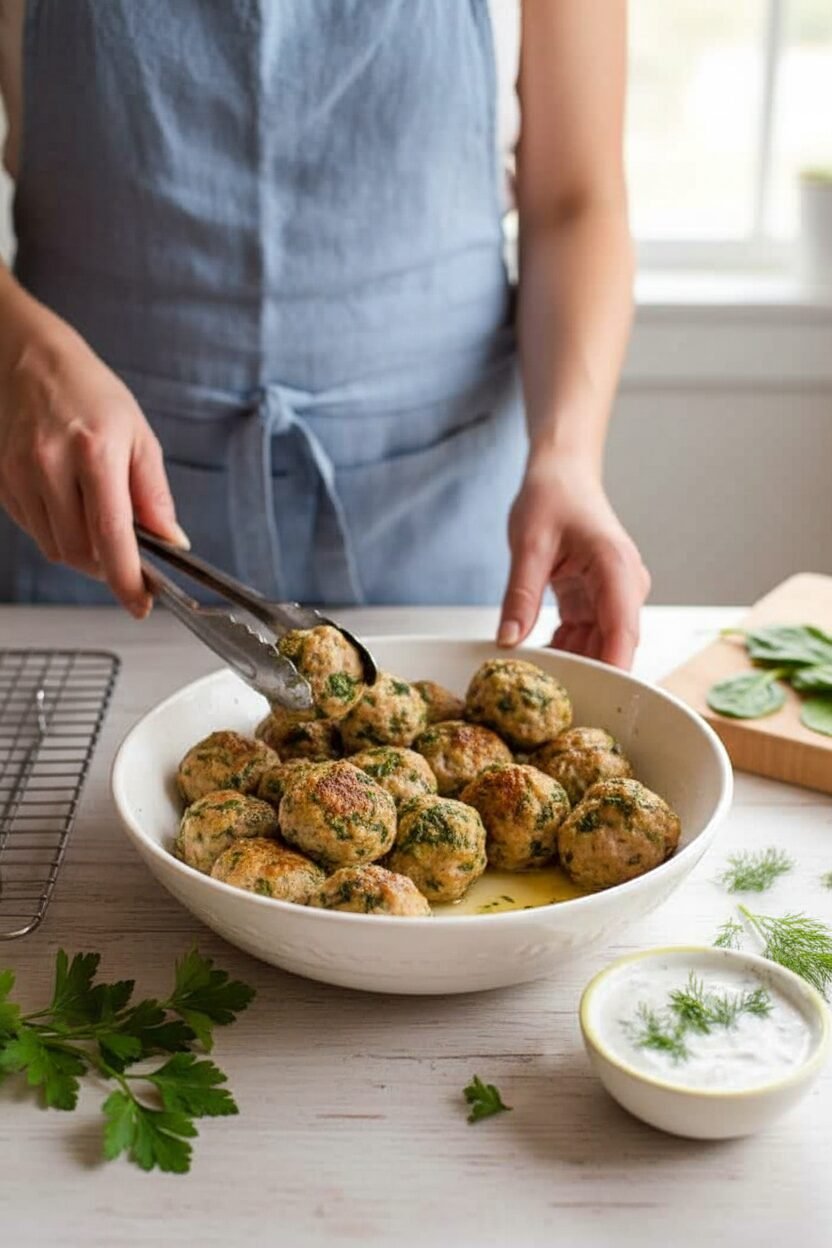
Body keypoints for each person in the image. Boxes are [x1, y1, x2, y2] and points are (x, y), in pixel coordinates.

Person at [0, 0, 649, 667]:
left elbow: (577, 200)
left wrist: (566, 454)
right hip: (88, 511)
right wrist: (22, 356)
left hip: (444, 527)